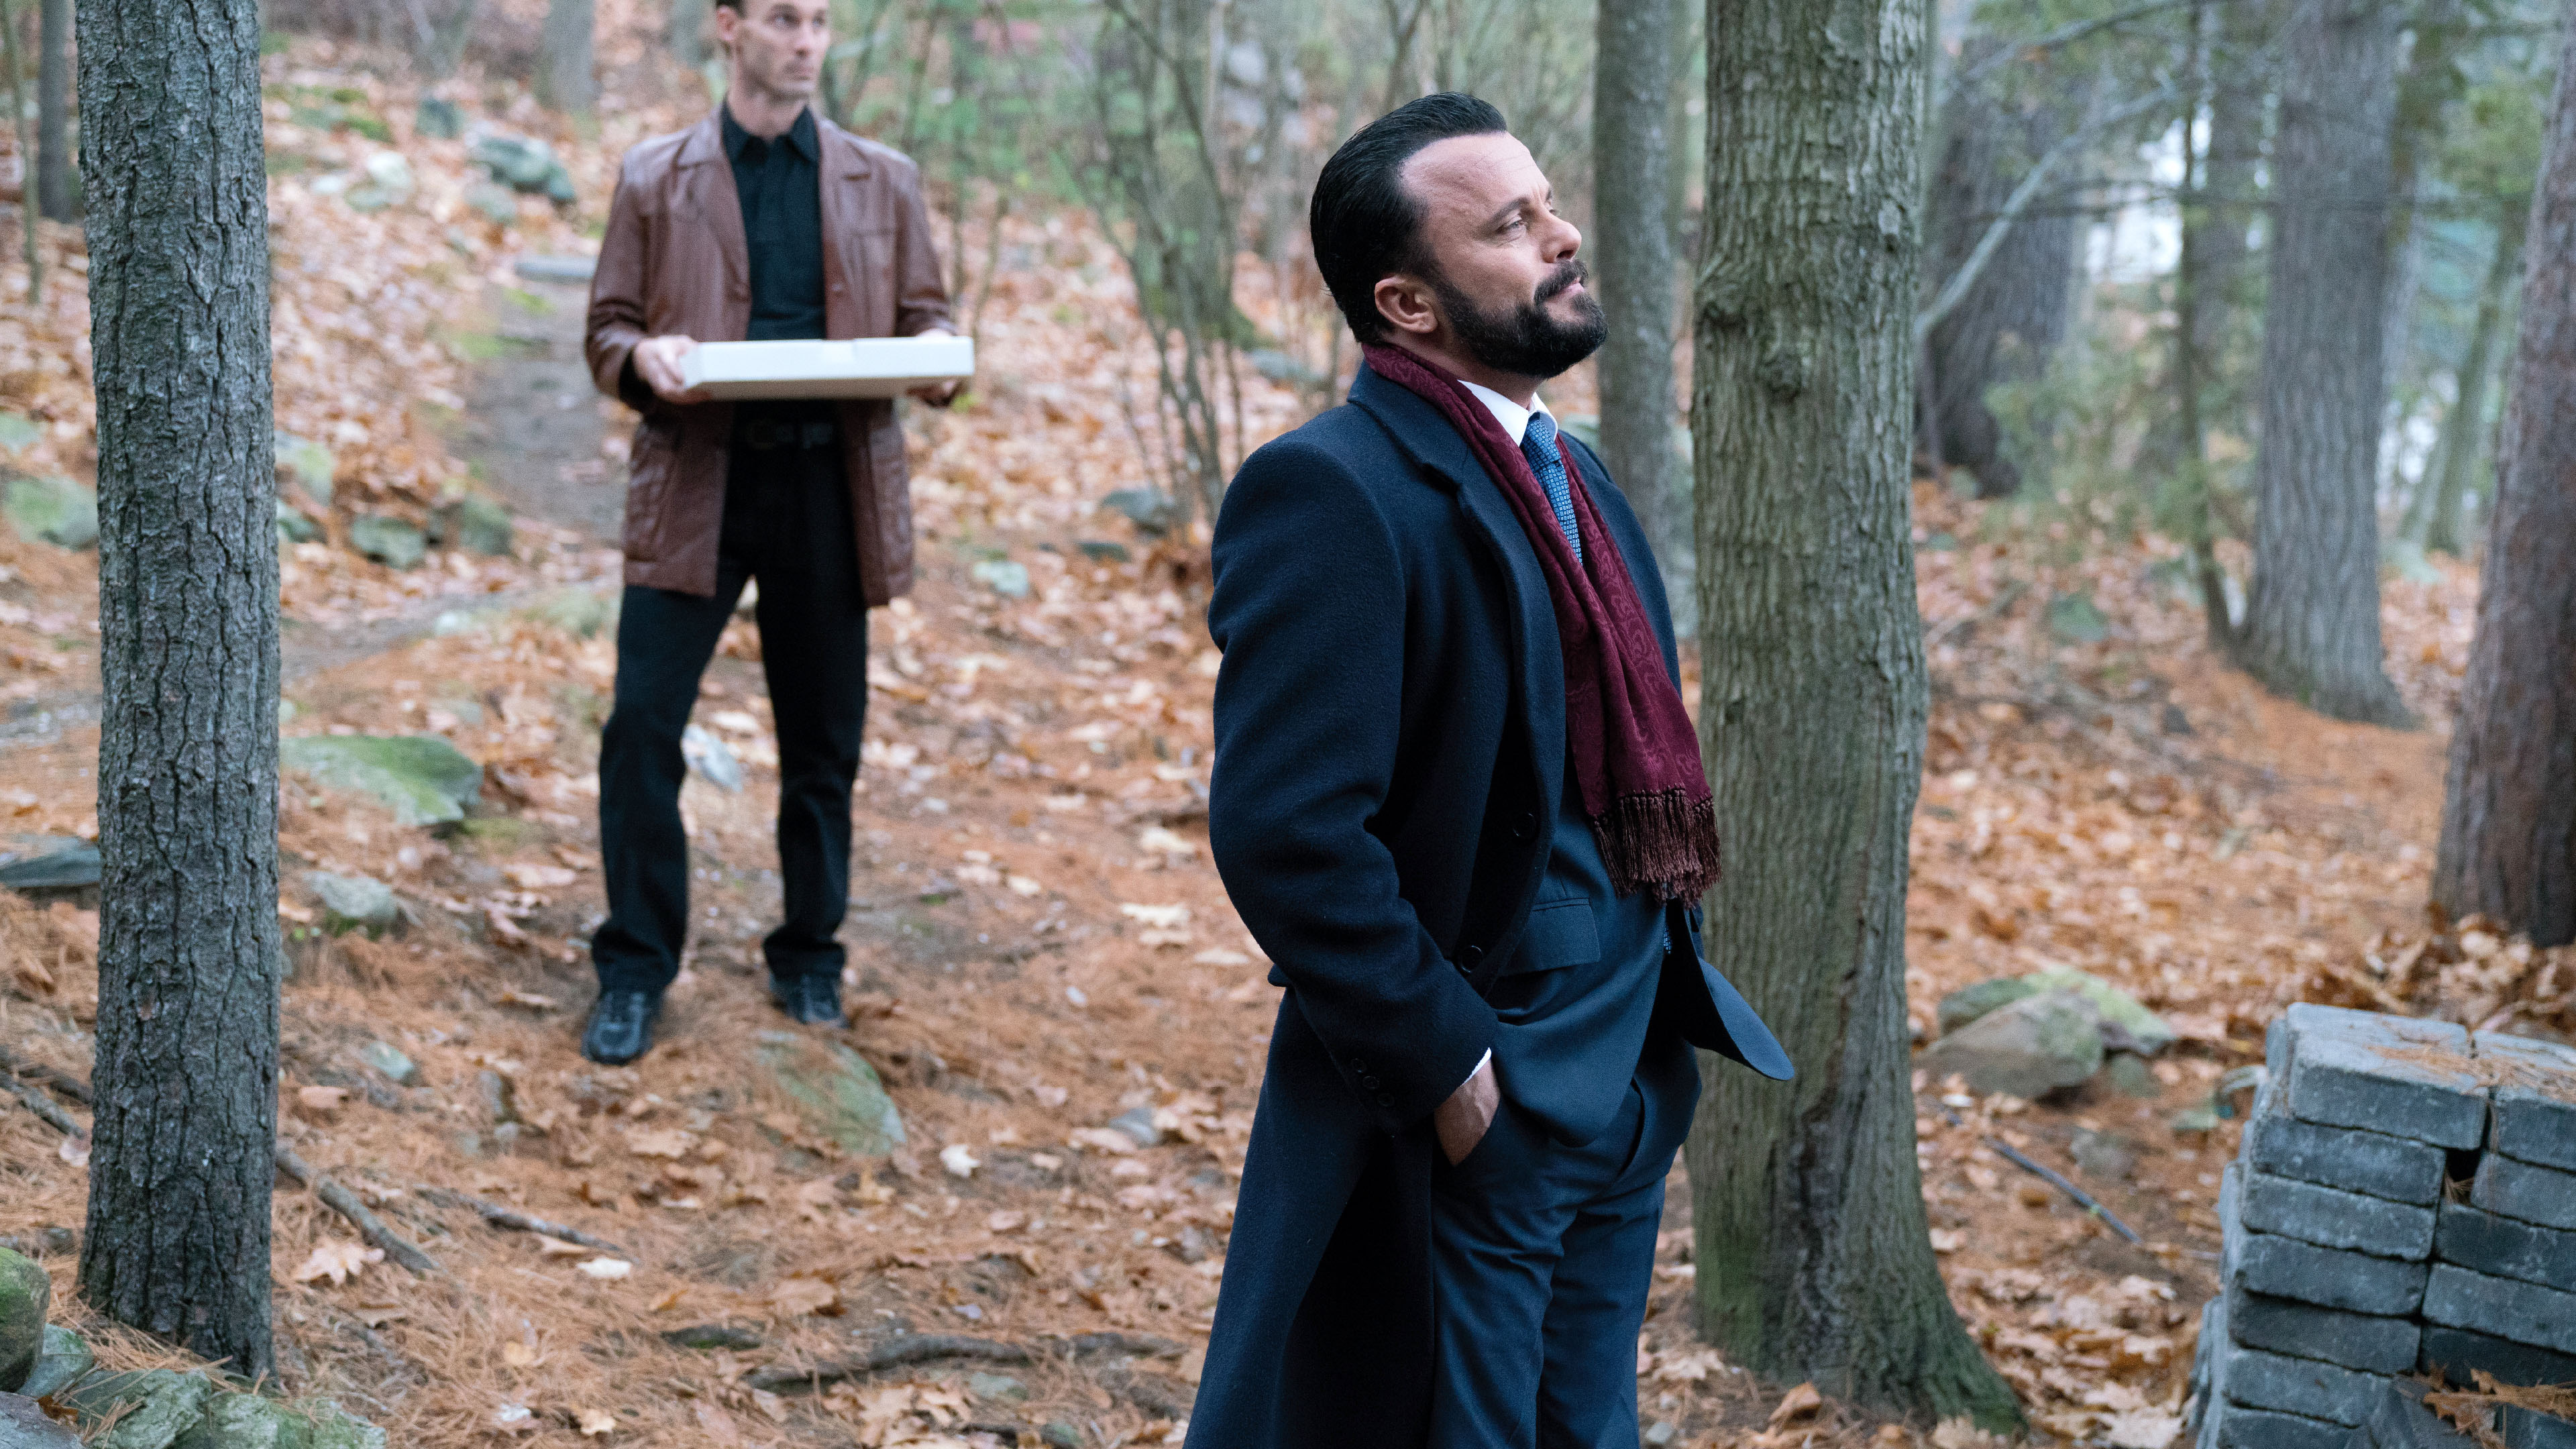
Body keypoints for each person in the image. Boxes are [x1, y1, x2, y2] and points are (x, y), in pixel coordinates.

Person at [1186, 93, 1794, 1449]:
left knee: (1591, 1430)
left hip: (1630, 1065)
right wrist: (1451, 1068)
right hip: (1491, 1083)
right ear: (1406, 304)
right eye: (1510, 226)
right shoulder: (1329, 491)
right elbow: (1287, 832)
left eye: (1548, 204)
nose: (1562, 237)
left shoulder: (1573, 472)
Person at [576, 0, 956, 1065]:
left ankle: (809, 957)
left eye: (821, 22)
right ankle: (635, 968)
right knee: (640, 729)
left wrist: (937, 357)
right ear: (729, 27)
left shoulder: (885, 178)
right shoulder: (656, 176)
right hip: (698, 479)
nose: (806, 40)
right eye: (785, 18)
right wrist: (641, 359)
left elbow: (928, 317)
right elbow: (607, 329)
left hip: (832, 488)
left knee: (824, 741)